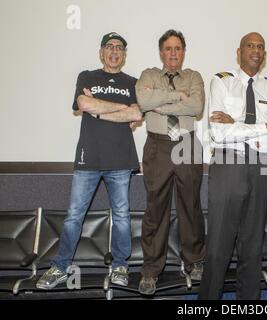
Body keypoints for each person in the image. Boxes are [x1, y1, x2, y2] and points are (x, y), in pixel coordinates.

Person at [36, 32, 142, 289]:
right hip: (88, 159)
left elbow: (136, 113)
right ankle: (61, 267)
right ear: (101, 52)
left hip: (121, 160)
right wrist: (114, 108)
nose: (114, 51)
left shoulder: (133, 83)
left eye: (119, 48)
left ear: (124, 55)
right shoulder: (87, 76)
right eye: (109, 47)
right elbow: (82, 103)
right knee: (74, 216)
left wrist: (98, 109)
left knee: (122, 215)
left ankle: (120, 265)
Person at [198, 32, 267, 300]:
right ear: (239, 52)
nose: (256, 50)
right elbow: (219, 134)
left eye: (261, 47)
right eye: (250, 45)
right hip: (228, 164)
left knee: (252, 245)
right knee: (218, 245)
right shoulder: (222, 82)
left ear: (265, 55)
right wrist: (261, 128)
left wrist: (236, 124)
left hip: (260, 168)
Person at [135, 29, 205, 295]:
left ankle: (195, 261)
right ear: (161, 52)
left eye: (178, 48)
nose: (173, 53)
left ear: (183, 52)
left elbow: (196, 107)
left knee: (191, 205)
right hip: (158, 145)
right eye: (168, 48)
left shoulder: (193, 77)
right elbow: (144, 100)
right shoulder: (149, 75)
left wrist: (161, 101)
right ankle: (151, 271)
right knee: (156, 209)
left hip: (187, 142)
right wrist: (178, 96)